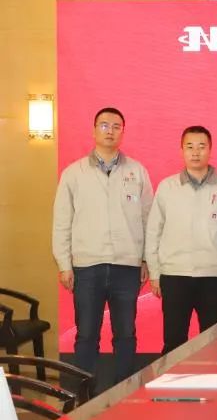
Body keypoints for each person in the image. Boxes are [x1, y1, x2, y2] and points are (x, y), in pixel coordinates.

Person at [52, 107, 153, 384]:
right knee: (86, 334)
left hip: (127, 266)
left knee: (126, 333)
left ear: (123, 132)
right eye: (104, 125)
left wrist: (146, 260)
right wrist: (64, 264)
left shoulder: (137, 172)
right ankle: (84, 395)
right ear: (94, 130)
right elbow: (62, 222)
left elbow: (148, 219)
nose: (110, 131)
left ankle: (125, 391)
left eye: (116, 126)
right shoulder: (74, 173)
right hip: (87, 267)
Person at [145, 126, 217, 354]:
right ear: (182, 150)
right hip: (175, 275)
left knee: (213, 343)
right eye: (190, 147)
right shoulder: (167, 187)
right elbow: (153, 232)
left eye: (201, 146)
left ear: (210, 149)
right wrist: (155, 273)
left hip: (214, 276)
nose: (195, 152)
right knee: (173, 341)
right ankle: (171, 379)